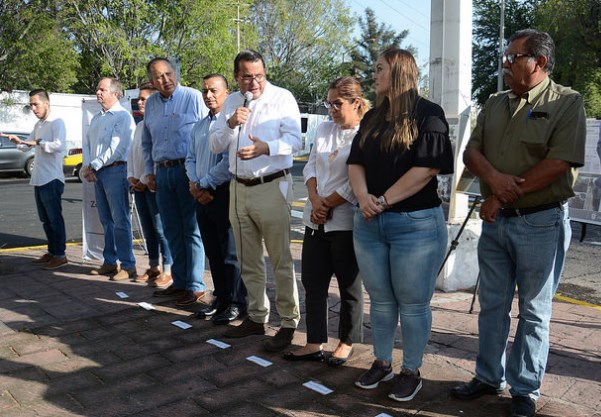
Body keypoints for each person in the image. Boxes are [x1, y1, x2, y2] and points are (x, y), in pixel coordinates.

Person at [451, 29, 586, 417]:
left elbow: (559, 163)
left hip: (540, 222)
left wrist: (499, 195)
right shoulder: (494, 102)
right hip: (496, 223)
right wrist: (493, 181)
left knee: (533, 311)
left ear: (539, 62)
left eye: (513, 58)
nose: (505, 65)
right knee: (492, 305)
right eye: (505, 58)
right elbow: (472, 153)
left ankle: (525, 388)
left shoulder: (566, 102)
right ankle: (488, 376)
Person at [347, 48, 453, 401]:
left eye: (379, 69)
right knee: (379, 300)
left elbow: (427, 168)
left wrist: (383, 200)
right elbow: (355, 162)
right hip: (370, 222)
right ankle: (382, 362)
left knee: (412, 303)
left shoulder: (429, 114)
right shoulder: (373, 117)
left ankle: (411, 370)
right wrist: (364, 198)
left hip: (416, 226)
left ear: (399, 72)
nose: (373, 74)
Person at [209, 49, 302, 352]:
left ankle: (288, 323)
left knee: (279, 260)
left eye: (259, 75)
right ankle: (256, 316)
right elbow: (215, 143)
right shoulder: (233, 102)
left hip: (271, 184)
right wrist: (230, 123)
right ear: (236, 77)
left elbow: (296, 141)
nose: (254, 82)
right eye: (247, 76)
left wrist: (267, 148)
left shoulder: (282, 98)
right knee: (248, 259)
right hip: (239, 188)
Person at [282, 77, 368, 365]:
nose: (331, 108)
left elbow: (357, 179)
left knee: (348, 286)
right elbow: (310, 166)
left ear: (356, 102)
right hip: (315, 217)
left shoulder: (365, 133)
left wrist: (329, 203)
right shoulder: (324, 129)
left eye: (337, 103)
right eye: (328, 103)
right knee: (313, 282)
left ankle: (346, 341)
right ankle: (315, 340)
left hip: (344, 220)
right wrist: (316, 200)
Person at [141, 57, 208, 307]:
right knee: (171, 230)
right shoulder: (151, 105)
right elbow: (146, 141)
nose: (165, 80)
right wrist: (149, 171)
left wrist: (200, 176)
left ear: (175, 72)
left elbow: (205, 134)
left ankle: (195, 286)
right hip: (162, 172)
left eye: (168, 73)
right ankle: (179, 283)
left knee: (191, 230)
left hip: (187, 170)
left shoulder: (192, 97)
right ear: (152, 81)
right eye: (158, 77)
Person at [186, 74, 248, 324]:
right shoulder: (199, 126)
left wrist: (205, 184)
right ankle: (221, 298)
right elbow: (190, 158)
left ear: (227, 93)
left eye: (214, 90)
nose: (208, 95)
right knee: (213, 251)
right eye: (205, 91)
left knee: (230, 252)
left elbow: (227, 161)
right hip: (200, 194)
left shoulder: (231, 124)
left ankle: (237, 302)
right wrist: (194, 184)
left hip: (222, 192)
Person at [0, 90, 68, 270]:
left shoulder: (57, 122)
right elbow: (25, 147)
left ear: (46, 103)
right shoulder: (39, 124)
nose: (33, 108)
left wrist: (38, 142)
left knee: (55, 219)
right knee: (45, 220)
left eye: (35, 104)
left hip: (52, 179)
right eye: (30, 105)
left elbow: (59, 146)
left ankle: (60, 255)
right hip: (39, 178)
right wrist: (15, 141)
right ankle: (52, 252)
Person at [82, 77, 137, 281]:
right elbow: (87, 144)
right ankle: (110, 261)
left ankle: (128, 265)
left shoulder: (122, 117)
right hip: (98, 172)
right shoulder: (97, 118)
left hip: (116, 171)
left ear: (115, 94)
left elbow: (117, 148)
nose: (98, 92)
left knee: (120, 220)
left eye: (102, 89)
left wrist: (93, 165)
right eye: (97, 89)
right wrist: (89, 166)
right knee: (106, 220)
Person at [127, 82, 173, 288]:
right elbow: (133, 155)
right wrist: (131, 177)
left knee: (161, 229)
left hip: (154, 185)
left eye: (144, 99)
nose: (139, 102)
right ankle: (153, 266)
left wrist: (146, 180)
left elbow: (158, 157)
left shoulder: (161, 124)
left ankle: (169, 269)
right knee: (148, 229)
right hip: (139, 185)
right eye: (138, 99)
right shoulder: (138, 126)